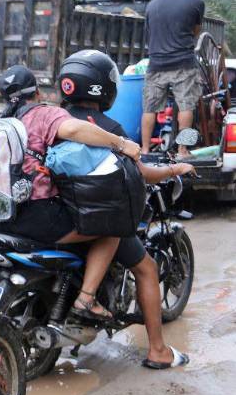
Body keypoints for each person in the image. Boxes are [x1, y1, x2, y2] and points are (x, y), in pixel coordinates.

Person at [0, 65, 142, 321]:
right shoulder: (44, 114)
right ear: (38, 92)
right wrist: (123, 143)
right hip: (39, 219)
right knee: (112, 228)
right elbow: (75, 130)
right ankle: (86, 299)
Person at [58, 50, 191, 368]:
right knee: (146, 269)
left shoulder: (55, 119)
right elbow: (142, 172)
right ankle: (157, 350)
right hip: (94, 219)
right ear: (104, 88)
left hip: (58, 216)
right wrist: (177, 169)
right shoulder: (110, 128)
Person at [140, 0, 205, 155]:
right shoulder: (196, 2)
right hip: (183, 63)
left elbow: (149, 34)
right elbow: (196, 31)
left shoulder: (152, 5)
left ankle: (144, 150)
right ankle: (183, 150)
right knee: (186, 105)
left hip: (156, 64)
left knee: (149, 108)